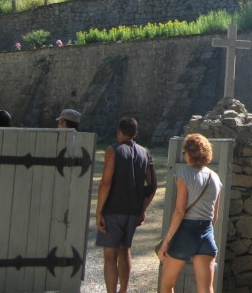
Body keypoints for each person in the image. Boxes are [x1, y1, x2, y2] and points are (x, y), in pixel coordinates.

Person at [95, 117, 157, 293]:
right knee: (125, 249)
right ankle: (124, 290)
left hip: (113, 210)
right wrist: (142, 209)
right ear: (135, 135)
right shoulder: (145, 153)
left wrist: (99, 211)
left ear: (118, 132)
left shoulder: (112, 150)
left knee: (109, 255)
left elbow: (106, 182)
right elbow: (152, 186)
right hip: (133, 211)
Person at [158, 133, 223, 293]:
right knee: (206, 288)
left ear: (188, 153)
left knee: (166, 285)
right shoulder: (215, 178)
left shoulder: (183, 175)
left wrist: (166, 242)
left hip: (185, 233)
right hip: (207, 233)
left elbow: (179, 211)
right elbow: (215, 215)